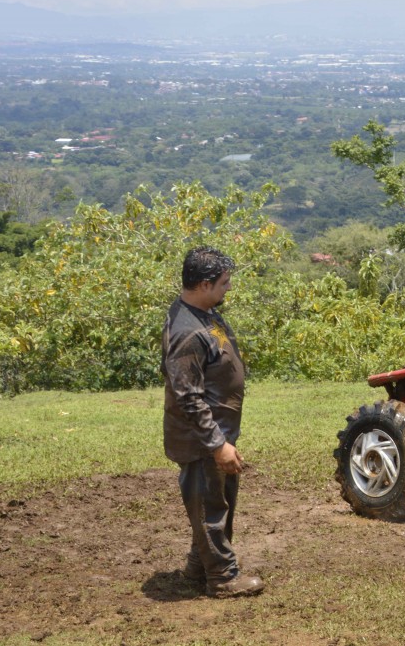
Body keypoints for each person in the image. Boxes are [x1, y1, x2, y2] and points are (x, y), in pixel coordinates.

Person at [161, 246, 264, 598]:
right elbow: (187, 397)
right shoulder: (186, 333)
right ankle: (221, 577)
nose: (228, 287)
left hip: (217, 433)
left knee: (217, 499)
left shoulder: (203, 312)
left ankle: (198, 564)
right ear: (204, 284)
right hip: (202, 439)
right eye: (224, 282)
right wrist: (217, 444)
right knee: (210, 507)